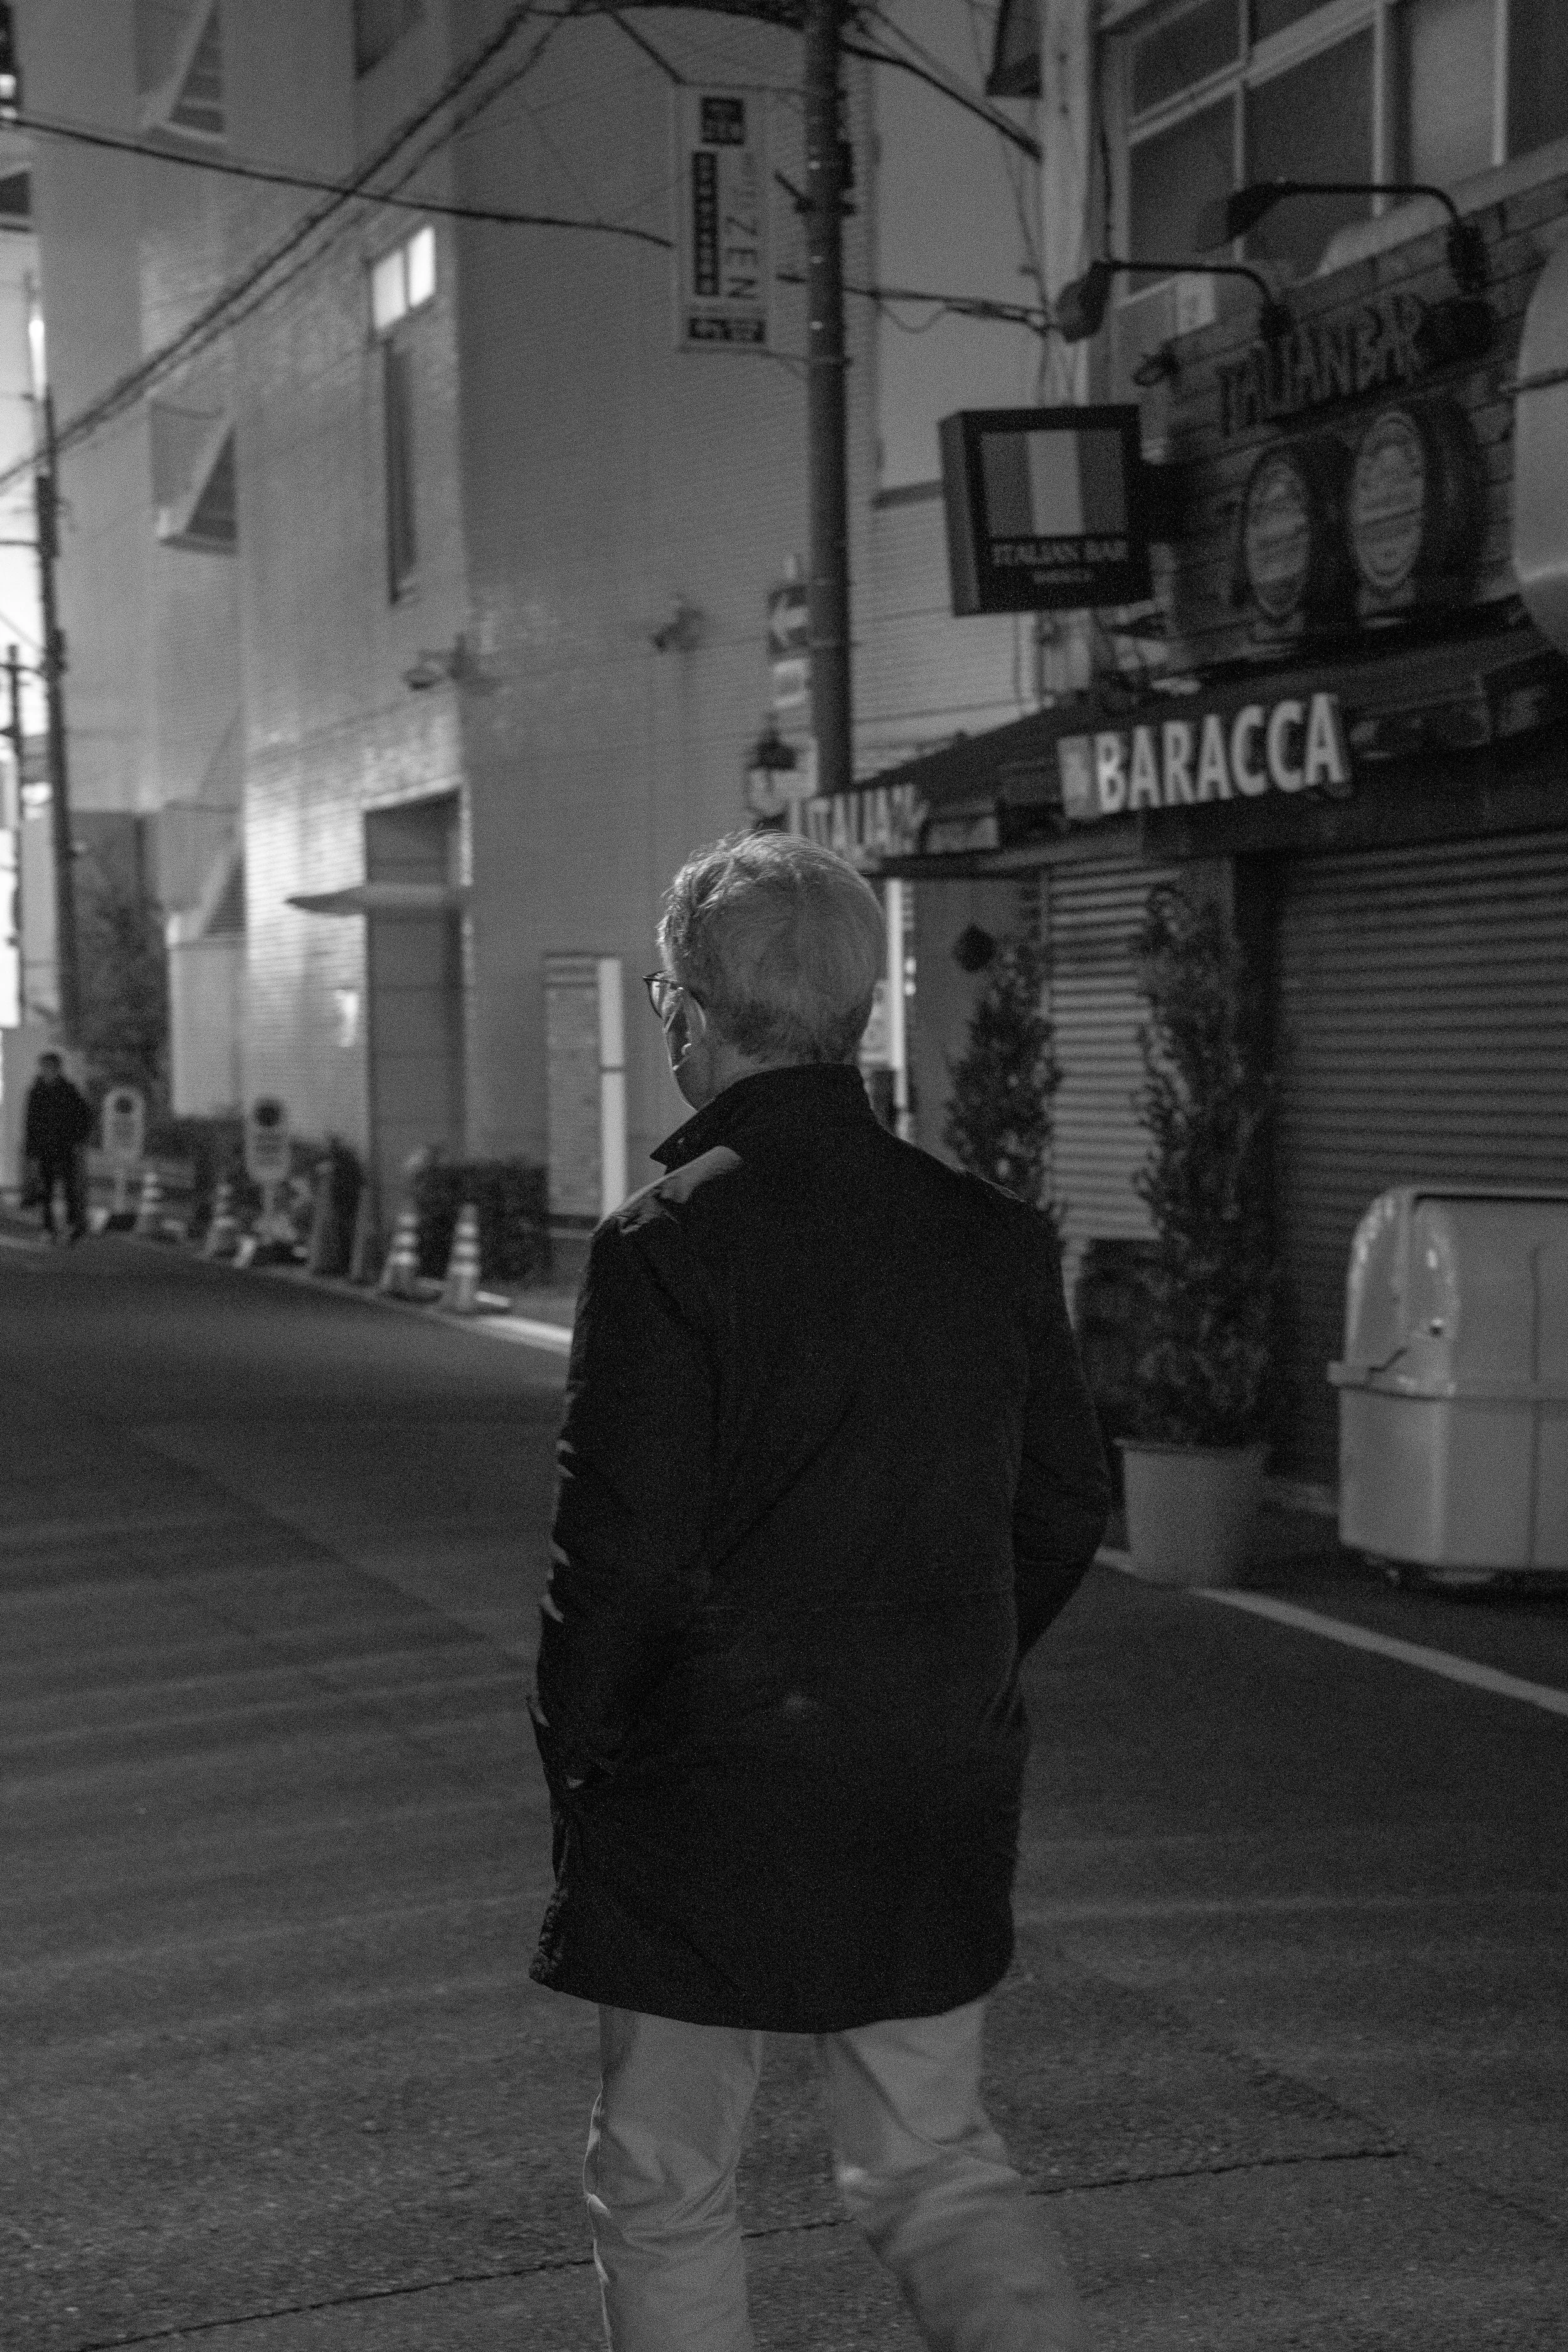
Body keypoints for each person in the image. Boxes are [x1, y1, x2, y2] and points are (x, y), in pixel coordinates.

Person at [529, 830, 1111, 2352]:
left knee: (666, 2176)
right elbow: (1064, 1506)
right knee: (929, 2155)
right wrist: (943, 1665)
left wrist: (578, 1746)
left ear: (694, 1009)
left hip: (703, 1780)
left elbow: (621, 1558)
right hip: (926, 1770)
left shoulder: (670, 1241)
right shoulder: (986, 1234)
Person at [23, 1051, 93, 1244]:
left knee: (71, 1189)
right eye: (45, 1067)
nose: (48, 1071)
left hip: (66, 1148)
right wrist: (32, 1152)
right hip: (45, 1149)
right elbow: (31, 1123)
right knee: (46, 1190)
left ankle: (72, 1225)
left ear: (58, 1068)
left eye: (51, 1067)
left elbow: (84, 1117)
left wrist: (78, 1140)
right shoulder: (36, 1092)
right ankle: (49, 1228)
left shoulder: (69, 1091)